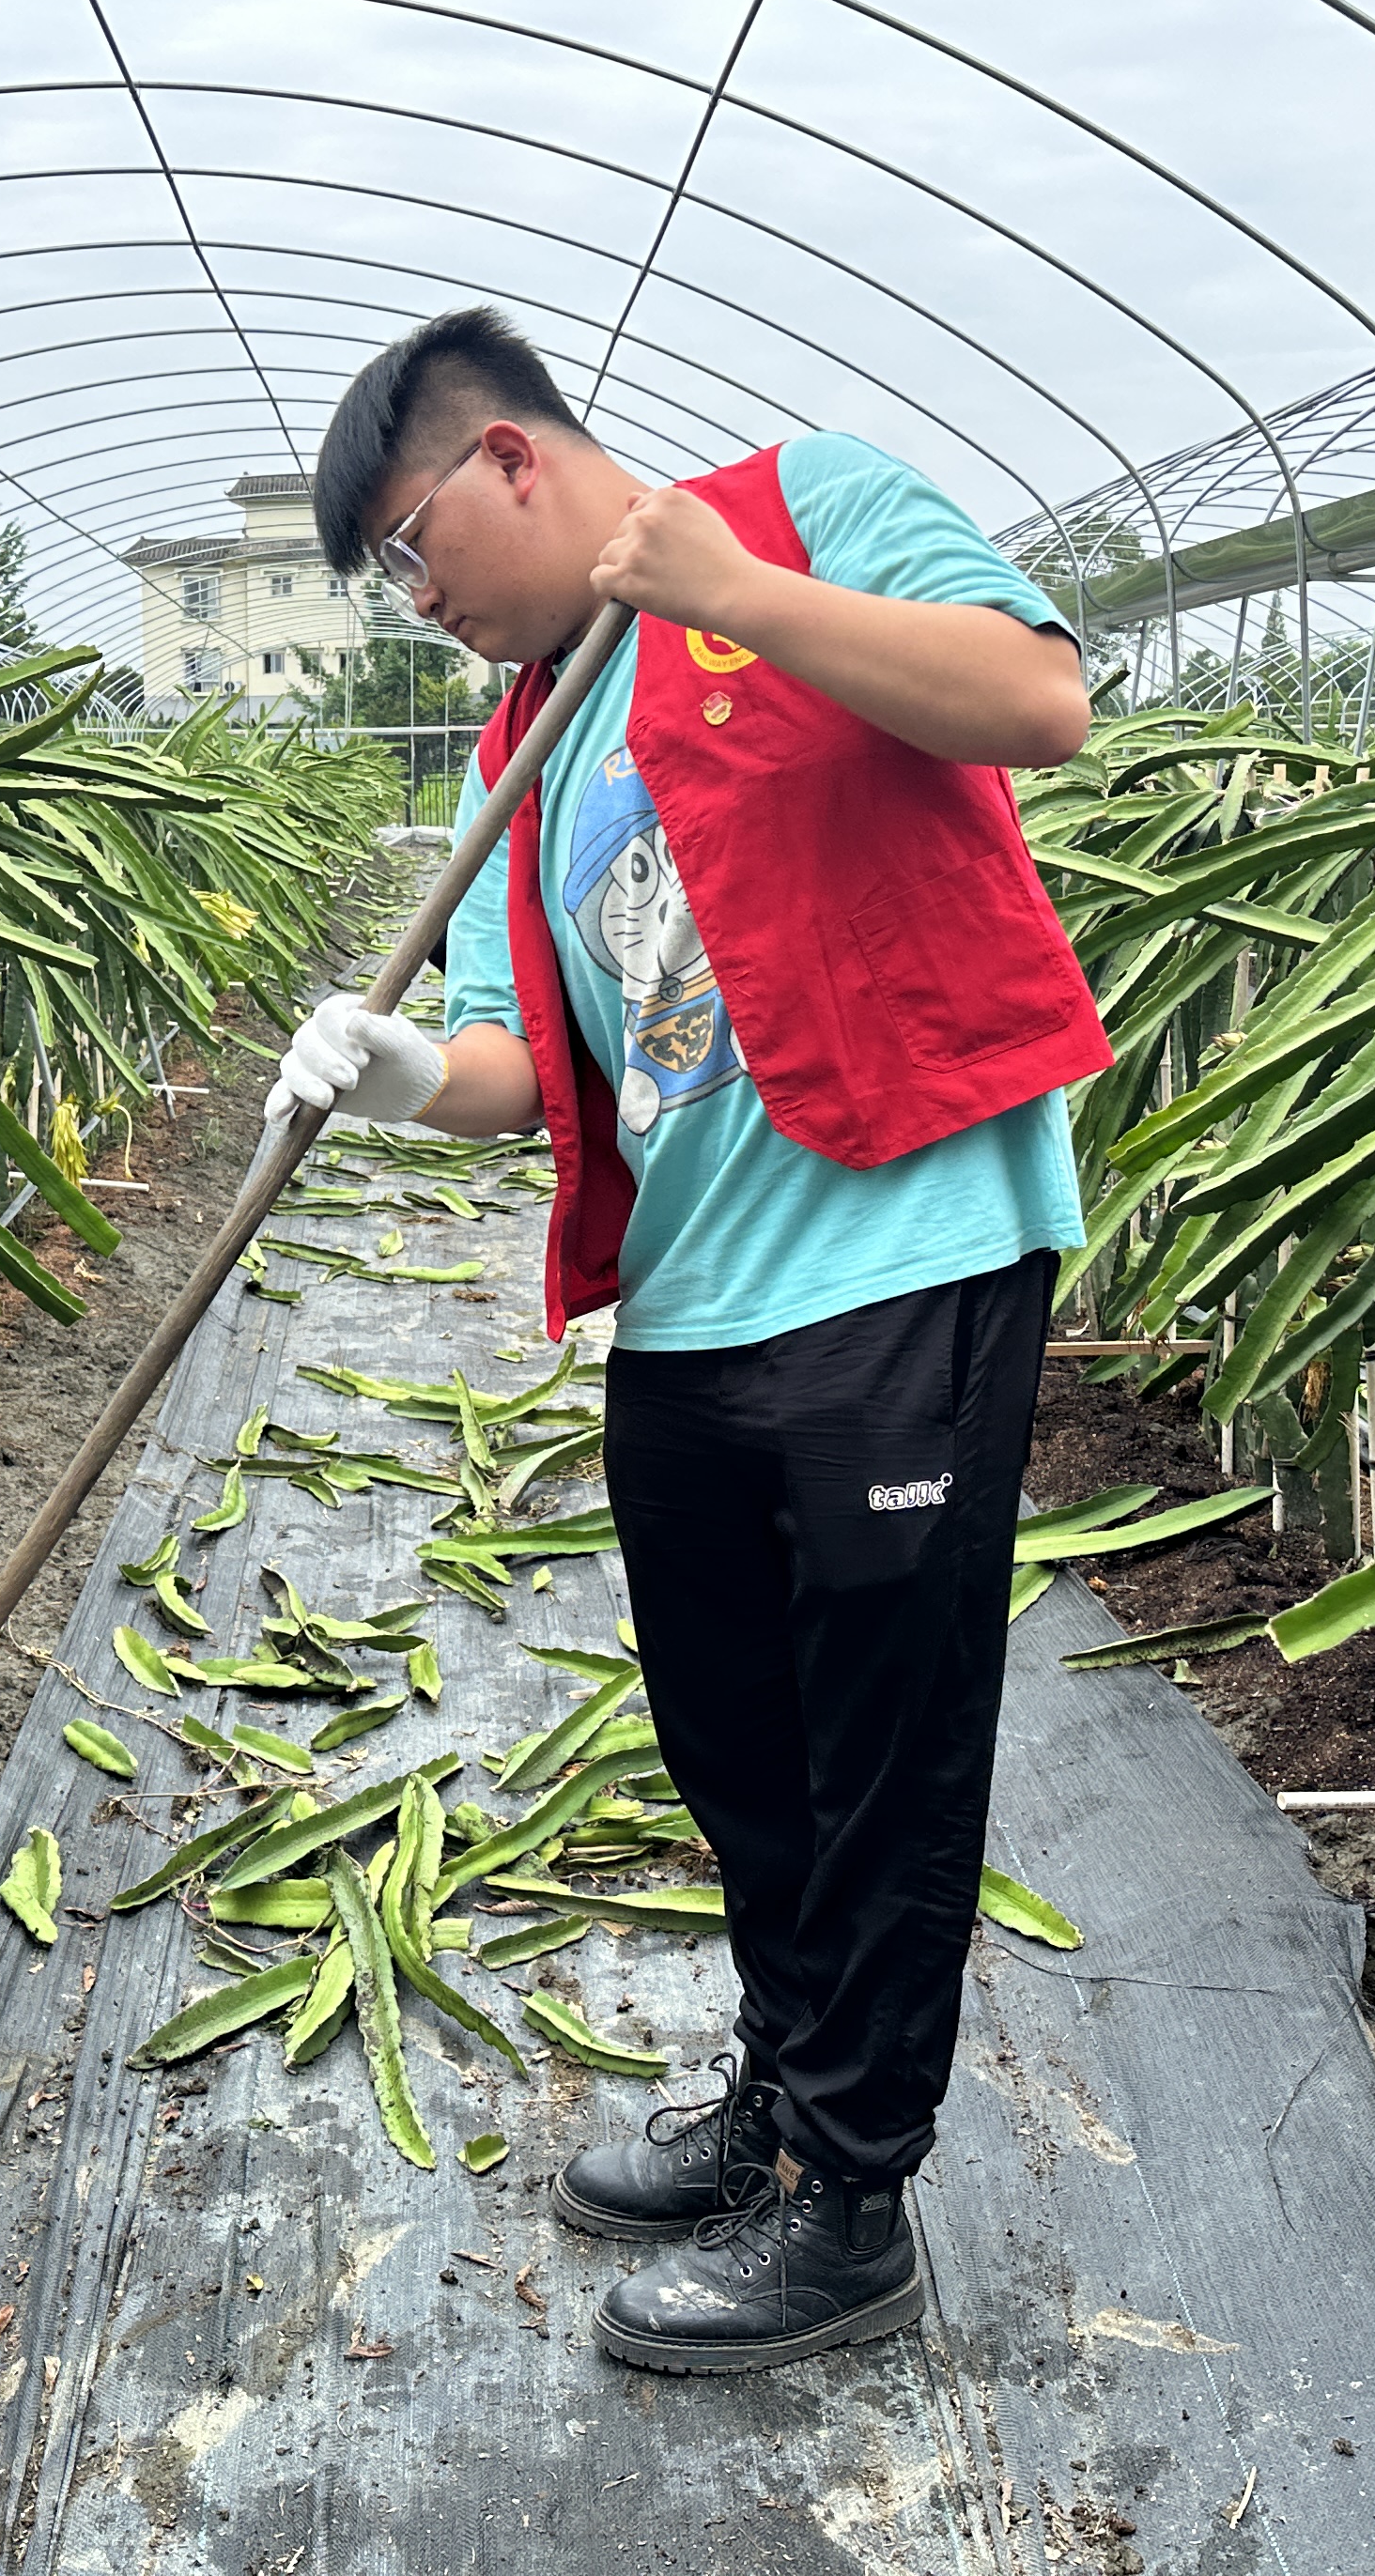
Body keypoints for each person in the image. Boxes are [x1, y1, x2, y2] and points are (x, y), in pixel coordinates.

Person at [271, 308, 1110, 2376]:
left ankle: (854, 2200)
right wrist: (393, 1068)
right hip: (697, 1299)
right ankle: (784, 2088)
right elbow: (516, 1060)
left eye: (410, 548)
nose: (419, 601)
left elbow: (1038, 699)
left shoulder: (798, 509)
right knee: (741, 1745)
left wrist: (735, 592)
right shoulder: (526, 738)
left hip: (900, 1251)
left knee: (883, 1755)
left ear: (508, 461)